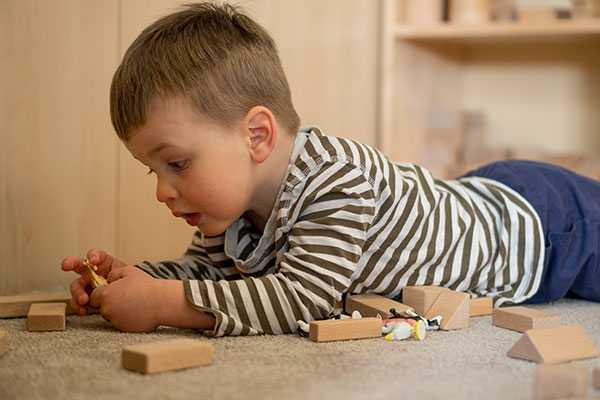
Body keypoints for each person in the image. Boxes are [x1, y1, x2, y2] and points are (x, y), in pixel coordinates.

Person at [61, 3, 599, 336]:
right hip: (478, 198)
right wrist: (136, 281)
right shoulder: (231, 211)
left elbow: (301, 298)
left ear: (257, 136)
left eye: (176, 163)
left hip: (543, 228)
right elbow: (209, 278)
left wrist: (161, 306)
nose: (162, 190)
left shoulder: (335, 180)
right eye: (150, 170)